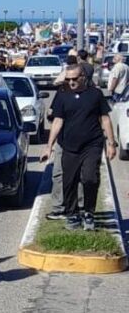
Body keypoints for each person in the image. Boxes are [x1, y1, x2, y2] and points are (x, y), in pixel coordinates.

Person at [40, 63, 116, 231]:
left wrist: (112, 143)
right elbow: (58, 121)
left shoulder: (95, 94)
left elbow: (105, 119)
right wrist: (49, 146)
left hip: (92, 144)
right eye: (68, 79)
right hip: (69, 146)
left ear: (83, 77)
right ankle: (72, 214)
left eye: (75, 79)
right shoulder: (62, 95)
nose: (71, 82)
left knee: (90, 178)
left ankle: (88, 213)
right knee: (69, 181)